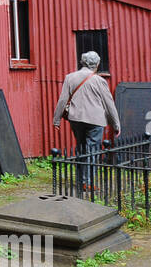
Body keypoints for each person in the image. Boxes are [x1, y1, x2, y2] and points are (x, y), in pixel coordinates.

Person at [51, 50, 122, 191]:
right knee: (92, 151)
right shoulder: (99, 81)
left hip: (76, 119)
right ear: (96, 65)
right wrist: (116, 124)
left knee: (81, 148)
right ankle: (87, 182)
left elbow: (63, 100)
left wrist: (56, 120)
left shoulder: (70, 78)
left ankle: (80, 180)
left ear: (83, 63)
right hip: (95, 121)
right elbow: (109, 104)